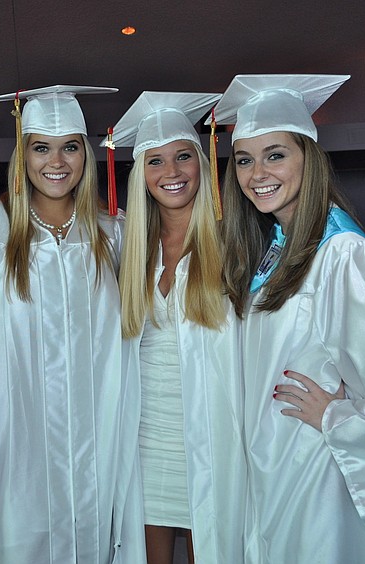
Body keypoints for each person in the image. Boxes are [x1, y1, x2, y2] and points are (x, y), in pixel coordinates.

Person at [214, 74, 365, 563]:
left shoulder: (341, 251)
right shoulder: (275, 247)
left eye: (275, 154)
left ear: (309, 158)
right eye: (244, 159)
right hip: (269, 460)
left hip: (313, 468)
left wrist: (341, 418)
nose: (257, 172)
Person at [0, 85, 145, 563]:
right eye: (41, 147)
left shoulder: (114, 237)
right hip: (13, 443)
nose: (56, 161)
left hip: (96, 444)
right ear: (22, 155)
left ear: (86, 153)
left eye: (70, 146)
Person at [107, 91, 250, 563]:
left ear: (202, 162)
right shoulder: (127, 246)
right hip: (147, 432)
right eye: (155, 161)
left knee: (212, 547)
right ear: (140, 175)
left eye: (183, 156)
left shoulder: (236, 243)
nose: (171, 172)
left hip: (211, 428)